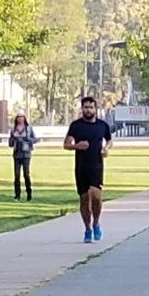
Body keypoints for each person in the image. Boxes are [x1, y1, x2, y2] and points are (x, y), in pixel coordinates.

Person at [64, 96, 113, 242]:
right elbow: (66, 144)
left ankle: (96, 223)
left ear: (95, 109)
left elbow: (109, 140)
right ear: (82, 109)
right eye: (86, 107)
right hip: (81, 166)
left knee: (96, 196)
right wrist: (76, 146)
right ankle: (87, 229)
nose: (88, 110)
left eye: (91, 107)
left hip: (96, 165)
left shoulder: (102, 125)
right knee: (85, 199)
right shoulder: (76, 126)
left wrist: (106, 149)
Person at [8, 110, 39, 201]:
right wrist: (14, 137)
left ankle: (29, 193)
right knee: (17, 175)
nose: (20, 119)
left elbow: (34, 139)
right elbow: (10, 143)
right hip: (17, 154)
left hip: (26, 154)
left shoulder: (28, 128)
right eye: (18, 117)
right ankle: (17, 195)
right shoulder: (13, 129)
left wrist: (26, 138)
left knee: (26, 174)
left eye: (22, 117)